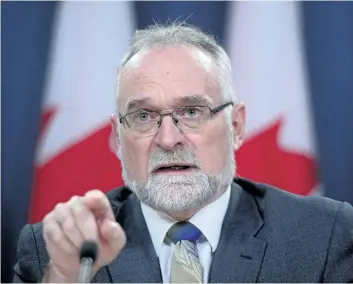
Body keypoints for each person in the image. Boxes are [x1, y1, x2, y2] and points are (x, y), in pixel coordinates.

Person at [13, 23, 353, 283]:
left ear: (235, 126)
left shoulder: (323, 237)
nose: (168, 138)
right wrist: (64, 275)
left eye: (191, 112)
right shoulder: (56, 252)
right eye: (144, 116)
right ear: (118, 138)